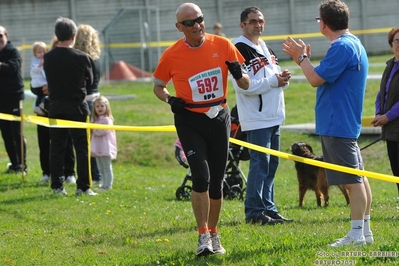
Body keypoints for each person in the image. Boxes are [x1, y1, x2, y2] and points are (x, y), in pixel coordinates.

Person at [152, 3, 249, 257]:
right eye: (189, 23)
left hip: (219, 117)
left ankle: (215, 234)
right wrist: (170, 100)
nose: (197, 26)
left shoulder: (223, 45)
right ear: (179, 28)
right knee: (200, 177)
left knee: (217, 182)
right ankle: (202, 235)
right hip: (189, 119)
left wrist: (239, 75)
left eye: (200, 20)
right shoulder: (171, 54)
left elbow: (246, 83)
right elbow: (158, 86)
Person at [282, 0, 373, 247]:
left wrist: (300, 58)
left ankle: (356, 234)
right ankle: (364, 232)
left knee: (351, 181)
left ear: (323, 23)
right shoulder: (352, 43)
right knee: (359, 178)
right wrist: (307, 60)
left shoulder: (341, 47)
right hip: (344, 121)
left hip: (337, 122)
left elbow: (314, 79)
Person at [231, 6, 293, 225]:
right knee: (260, 163)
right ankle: (255, 212)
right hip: (256, 118)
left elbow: (272, 78)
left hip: (274, 115)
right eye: (253, 21)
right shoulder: (238, 48)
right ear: (243, 25)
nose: (259, 24)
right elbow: (243, 87)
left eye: (261, 21)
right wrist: (273, 82)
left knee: (271, 164)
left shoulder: (265, 47)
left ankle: (269, 208)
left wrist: (282, 78)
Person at [43, 17, 97, 196]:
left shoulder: (48, 57)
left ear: (57, 36)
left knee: (57, 148)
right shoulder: (83, 57)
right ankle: (83, 186)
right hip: (77, 107)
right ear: (74, 35)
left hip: (56, 106)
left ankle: (57, 186)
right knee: (81, 147)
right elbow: (90, 84)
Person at [30, 37, 76, 183]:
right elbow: (34, 83)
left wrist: (53, 88)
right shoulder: (45, 61)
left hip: (62, 107)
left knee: (66, 141)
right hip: (44, 106)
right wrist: (40, 90)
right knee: (44, 141)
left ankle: (69, 173)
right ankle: (47, 172)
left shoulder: (72, 60)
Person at [371, 27, 399, 203]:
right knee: (396, 170)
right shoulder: (390, 66)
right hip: (391, 130)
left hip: (393, 122)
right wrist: (378, 113)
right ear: (391, 45)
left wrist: (387, 116)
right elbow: (382, 93)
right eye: (397, 41)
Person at [74, 24, 102, 186]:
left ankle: (94, 175)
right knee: (93, 140)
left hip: (85, 101)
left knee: (85, 141)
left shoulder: (80, 59)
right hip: (96, 98)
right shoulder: (96, 58)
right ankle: (96, 175)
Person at [0, 25, 27, 174]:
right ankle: (15, 164)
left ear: (6, 36)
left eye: (0, 35)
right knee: (6, 134)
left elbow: (13, 68)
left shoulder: (12, 52)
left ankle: (23, 165)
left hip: (14, 98)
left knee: (17, 133)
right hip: (1, 101)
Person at [91, 96, 117, 191]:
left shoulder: (107, 120)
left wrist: (93, 129)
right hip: (97, 147)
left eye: (102, 106)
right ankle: (103, 184)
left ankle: (108, 185)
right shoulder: (96, 120)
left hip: (105, 147)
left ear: (106, 107)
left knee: (106, 167)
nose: (100, 108)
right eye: (97, 106)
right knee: (100, 167)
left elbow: (102, 131)